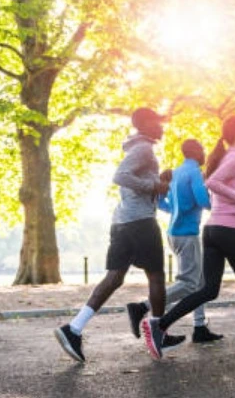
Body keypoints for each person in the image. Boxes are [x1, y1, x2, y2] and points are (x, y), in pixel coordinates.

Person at [143, 116, 235, 359]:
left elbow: (219, 191)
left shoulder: (227, 158)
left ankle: (160, 324)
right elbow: (213, 183)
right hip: (228, 230)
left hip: (212, 230)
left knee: (209, 290)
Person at [55, 107, 177, 363]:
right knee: (156, 275)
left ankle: (74, 328)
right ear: (145, 124)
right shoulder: (143, 149)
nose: (162, 127)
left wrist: (158, 179)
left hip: (122, 221)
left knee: (114, 277)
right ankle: (158, 332)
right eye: (158, 122)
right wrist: (154, 184)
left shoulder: (139, 148)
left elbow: (137, 185)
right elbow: (120, 176)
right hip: (140, 222)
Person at [126, 139, 223, 344]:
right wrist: (224, 201)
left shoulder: (176, 173)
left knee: (200, 283)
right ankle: (142, 307)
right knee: (189, 284)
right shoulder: (194, 171)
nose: (204, 154)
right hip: (187, 234)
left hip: (174, 233)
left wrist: (180, 209)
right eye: (202, 150)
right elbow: (203, 200)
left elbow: (163, 202)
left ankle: (199, 327)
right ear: (195, 152)